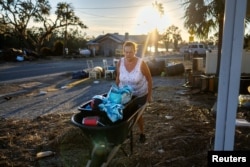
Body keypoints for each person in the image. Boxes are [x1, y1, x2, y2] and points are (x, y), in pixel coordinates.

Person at [116, 41, 152, 143]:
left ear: (135, 51)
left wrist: (149, 96)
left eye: (130, 52)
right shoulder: (120, 62)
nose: (128, 55)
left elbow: (149, 79)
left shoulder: (141, 63)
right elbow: (118, 78)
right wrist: (115, 92)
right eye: (126, 52)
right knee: (123, 114)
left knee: (137, 115)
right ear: (123, 52)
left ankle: (142, 133)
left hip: (139, 94)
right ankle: (125, 133)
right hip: (124, 94)